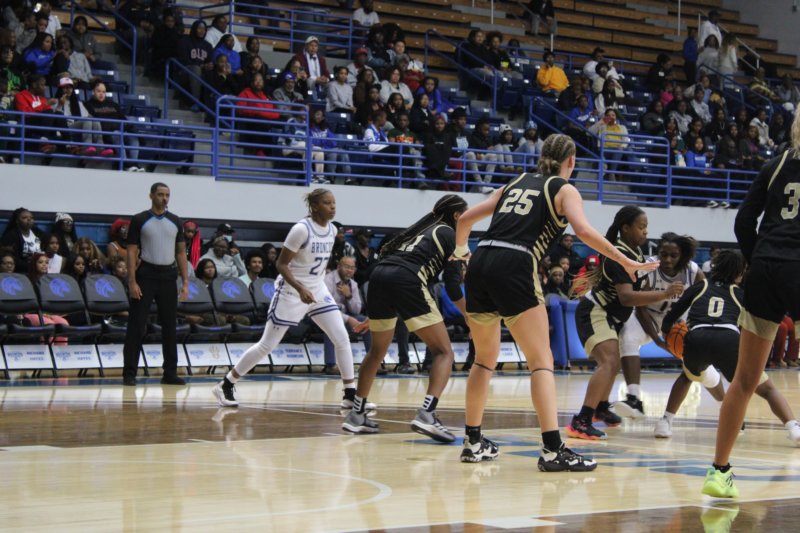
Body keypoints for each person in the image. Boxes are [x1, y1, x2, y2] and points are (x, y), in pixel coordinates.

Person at [453, 134, 655, 469]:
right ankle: (552, 450)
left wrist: (462, 252)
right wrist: (627, 261)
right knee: (541, 361)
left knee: (484, 360)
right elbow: (584, 232)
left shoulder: (514, 182)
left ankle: (472, 442)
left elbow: (463, 220)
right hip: (516, 262)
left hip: (481, 261)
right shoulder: (564, 189)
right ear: (571, 161)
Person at [701, 107, 800, 498]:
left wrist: (759, 259)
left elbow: (743, 220)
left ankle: (719, 471)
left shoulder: (775, 166)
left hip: (764, 270)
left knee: (744, 380)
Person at [213, 189, 365, 410]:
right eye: (327, 203)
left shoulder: (332, 230)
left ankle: (350, 394)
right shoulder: (301, 230)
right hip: (291, 292)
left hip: (317, 290)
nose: (333, 207)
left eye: (334, 202)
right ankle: (226, 384)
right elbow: (281, 264)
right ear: (315, 206)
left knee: (341, 338)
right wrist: (300, 288)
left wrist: (314, 286)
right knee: (267, 345)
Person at [342, 195, 468, 442]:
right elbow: (453, 287)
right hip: (407, 279)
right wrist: (469, 316)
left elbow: (392, 269)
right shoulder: (453, 236)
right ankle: (427, 415)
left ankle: (356, 415)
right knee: (444, 352)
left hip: (379, 278)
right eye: (466, 214)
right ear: (456, 216)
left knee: (376, 352)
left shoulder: (417, 231)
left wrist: (377, 312)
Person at [655, 250, 800, 446]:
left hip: (697, 339)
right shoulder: (741, 293)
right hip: (728, 340)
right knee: (765, 389)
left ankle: (665, 423)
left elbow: (671, 318)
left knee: (686, 377)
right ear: (740, 273)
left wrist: (667, 336)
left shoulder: (700, 286)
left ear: (715, 267)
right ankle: (793, 428)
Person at [566, 206, 680, 441]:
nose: (645, 231)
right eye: (641, 227)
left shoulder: (635, 252)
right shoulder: (617, 255)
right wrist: (664, 294)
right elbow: (627, 297)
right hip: (595, 311)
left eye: (646, 227)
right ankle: (581, 420)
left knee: (614, 362)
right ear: (625, 228)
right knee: (608, 362)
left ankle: (600, 407)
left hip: (612, 315)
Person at [612, 233, 704, 420]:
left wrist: (692, 328)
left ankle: (726, 404)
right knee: (628, 336)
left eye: (673, 255)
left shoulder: (693, 272)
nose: (667, 260)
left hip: (678, 323)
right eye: (663, 254)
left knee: (700, 364)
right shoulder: (649, 268)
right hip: (649, 317)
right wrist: (656, 339)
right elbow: (640, 307)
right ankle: (634, 399)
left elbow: (704, 299)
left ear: (682, 256)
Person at [122, 182, 190, 386]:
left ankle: (170, 373)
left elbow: (181, 253)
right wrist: (132, 281)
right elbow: (131, 251)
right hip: (146, 275)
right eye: (160, 194)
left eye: (167, 195)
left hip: (169, 276)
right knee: (136, 325)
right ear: (151, 196)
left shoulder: (176, 221)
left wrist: (185, 282)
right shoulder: (139, 219)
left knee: (170, 326)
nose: (164, 198)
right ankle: (129, 373)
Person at [322, 255, 370, 374]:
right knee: (332, 323)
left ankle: (372, 363)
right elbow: (326, 309)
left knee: (366, 322)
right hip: (323, 315)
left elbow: (357, 310)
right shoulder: (327, 280)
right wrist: (348, 319)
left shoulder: (353, 284)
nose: (349, 270)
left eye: (352, 268)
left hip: (343, 316)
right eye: (347, 267)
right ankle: (331, 365)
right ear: (339, 266)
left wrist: (349, 296)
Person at [0, 207, 45, 272]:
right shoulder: (11, 236)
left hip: (39, 269)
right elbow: (12, 259)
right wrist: (31, 264)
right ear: (17, 221)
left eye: (31, 218)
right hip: (21, 271)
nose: (29, 219)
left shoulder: (38, 233)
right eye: (24, 218)